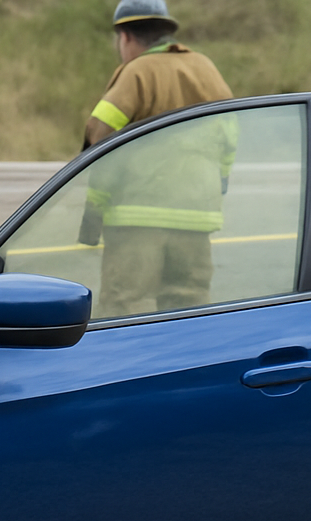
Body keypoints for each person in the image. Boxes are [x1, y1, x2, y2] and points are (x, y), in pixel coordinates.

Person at [79, 0, 235, 316]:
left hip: (136, 219)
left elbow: (100, 140)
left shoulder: (136, 72)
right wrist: (215, 186)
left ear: (125, 36)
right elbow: (229, 139)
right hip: (196, 218)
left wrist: (93, 212)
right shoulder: (206, 68)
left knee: (125, 307)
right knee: (188, 310)